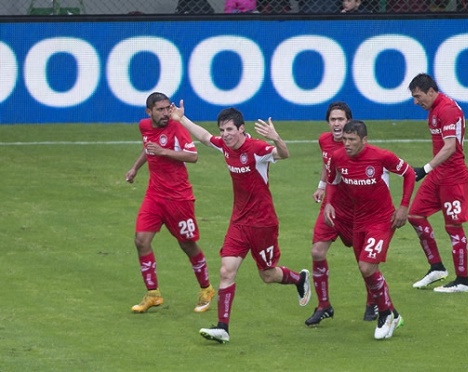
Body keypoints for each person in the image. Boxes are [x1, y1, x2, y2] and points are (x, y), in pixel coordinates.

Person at [169, 101, 311, 344]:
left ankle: (299, 279)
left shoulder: (257, 149)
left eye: (230, 130)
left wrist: (276, 138)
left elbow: (284, 154)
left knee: (266, 274)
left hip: (263, 223)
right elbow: (204, 137)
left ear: (242, 129)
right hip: (239, 221)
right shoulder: (224, 146)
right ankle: (223, 327)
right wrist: (181, 118)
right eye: (222, 130)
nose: (225, 135)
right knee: (226, 271)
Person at [324, 120, 415, 340]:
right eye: (344, 139)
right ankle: (393, 312)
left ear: (364, 140)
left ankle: (384, 314)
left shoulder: (382, 157)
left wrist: (403, 206)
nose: (346, 144)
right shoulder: (337, 158)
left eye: (352, 140)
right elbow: (333, 181)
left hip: (382, 220)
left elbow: (409, 173)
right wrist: (328, 202)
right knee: (366, 270)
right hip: (359, 220)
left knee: (367, 266)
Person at [125, 92, 215, 314]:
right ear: (149, 112)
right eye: (160, 109)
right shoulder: (144, 126)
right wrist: (135, 168)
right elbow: (149, 148)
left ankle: (206, 289)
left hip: (179, 198)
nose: (166, 113)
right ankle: (153, 294)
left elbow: (193, 156)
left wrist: (164, 151)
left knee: (187, 244)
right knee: (141, 241)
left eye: (168, 108)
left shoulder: (176, 128)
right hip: (154, 196)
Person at [305, 102, 379, 327]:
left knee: (363, 262)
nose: (337, 124)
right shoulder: (323, 140)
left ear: (349, 122)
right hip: (330, 206)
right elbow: (328, 166)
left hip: (356, 211)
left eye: (341, 119)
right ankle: (324, 305)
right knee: (317, 251)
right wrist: (321, 186)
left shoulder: (360, 148)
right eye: (333, 119)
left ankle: (372, 300)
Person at [407, 73, 468, 293]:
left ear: (431, 91)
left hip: (453, 177)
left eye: (418, 96)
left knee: (453, 226)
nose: (415, 102)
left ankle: (462, 280)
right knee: (414, 214)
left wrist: (425, 169)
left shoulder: (447, 110)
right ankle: (436, 267)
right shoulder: (434, 110)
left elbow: (450, 146)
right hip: (439, 175)